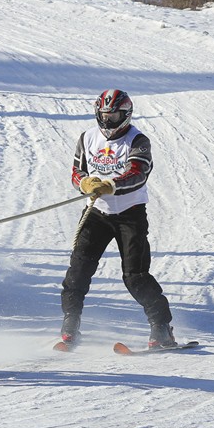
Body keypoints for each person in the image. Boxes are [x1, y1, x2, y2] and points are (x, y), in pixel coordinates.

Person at [59, 89, 175, 349]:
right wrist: (85, 183)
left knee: (135, 276)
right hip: (96, 213)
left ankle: (161, 327)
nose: (109, 121)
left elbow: (138, 173)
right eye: (105, 115)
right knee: (78, 271)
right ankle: (71, 322)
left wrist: (111, 184)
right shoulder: (87, 138)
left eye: (114, 116)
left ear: (126, 115)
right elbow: (77, 171)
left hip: (129, 213)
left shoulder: (138, 140)